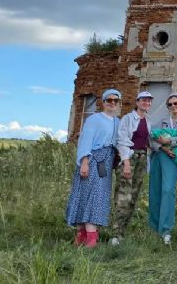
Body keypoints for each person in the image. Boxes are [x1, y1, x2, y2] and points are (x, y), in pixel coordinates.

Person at [65, 88, 122, 248]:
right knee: (86, 196)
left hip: (106, 162)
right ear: (103, 102)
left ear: (119, 103)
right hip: (92, 161)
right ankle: (85, 238)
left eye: (115, 101)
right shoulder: (94, 119)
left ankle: (87, 237)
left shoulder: (118, 122)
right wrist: (84, 162)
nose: (112, 103)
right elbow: (86, 140)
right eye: (109, 100)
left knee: (99, 197)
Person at [148, 92, 177, 245]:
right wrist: (162, 147)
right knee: (155, 190)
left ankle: (166, 229)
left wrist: (169, 141)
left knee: (168, 190)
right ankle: (153, 228)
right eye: (170, 104)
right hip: (158, 156)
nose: (173, 106)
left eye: (176, 103)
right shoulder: (162, 121)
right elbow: (151, 138)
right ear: (168, 107)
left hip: (172, 159)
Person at [110, 90, 153, 245]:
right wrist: (126, 162)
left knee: (133, 197)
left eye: (149, 101)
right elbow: (122, 140)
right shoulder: (128, 118)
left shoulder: (148, 121)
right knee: (123, 196)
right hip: (129, 158)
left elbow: (150, 141)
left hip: (142, 159)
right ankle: (115, 234)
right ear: (137, 102)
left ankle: (123, 232)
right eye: (143, 100)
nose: (146, 103)